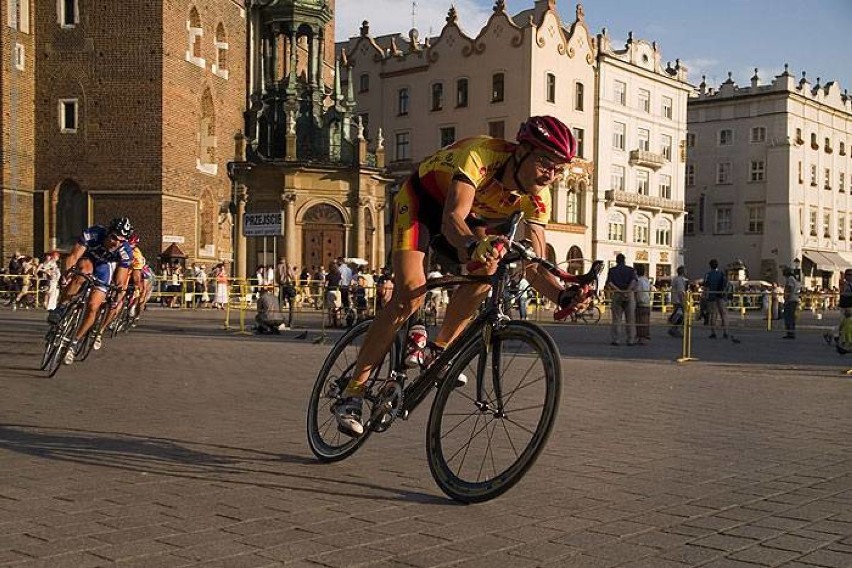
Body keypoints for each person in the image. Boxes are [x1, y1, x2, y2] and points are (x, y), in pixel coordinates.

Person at [331, 115, 595, 437]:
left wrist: (564, 295)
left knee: (490, 266)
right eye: (544, 162)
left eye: (557, 168)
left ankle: (437, 352)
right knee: (410, 294)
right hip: (422, 205)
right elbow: (452, 218)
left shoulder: (539, 198)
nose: (550, 175)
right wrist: (474, 245)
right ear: (522, 150)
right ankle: (353, 393)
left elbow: (535, 265)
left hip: (474, 220)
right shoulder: (482, 155)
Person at [50, 217, 134, 364]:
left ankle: (74, 342)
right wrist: (67, 274)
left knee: (93, 307)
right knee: (82, 272)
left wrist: (118, 294)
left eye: (121, 241)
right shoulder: (94, 233)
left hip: (104, 267)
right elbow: (74, 256)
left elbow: (121, 280)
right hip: (88, 258)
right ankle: (62, 308)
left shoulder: (125, 251)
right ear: (108, 232)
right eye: (114, 237)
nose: (116, 243)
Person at [605, 253, 637, 346]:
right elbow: (634, 281)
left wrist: (619, 291)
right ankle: (630, 340)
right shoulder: (631, 270)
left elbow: (610, 283)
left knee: (616, 318)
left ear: (616, 260)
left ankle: (616, 339)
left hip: (617, 294)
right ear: (624, 260)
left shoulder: (612, 270)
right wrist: (627, 291)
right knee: (630, 319)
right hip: (629, 294)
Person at [703, 258, 729, 339]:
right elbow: (725, 284)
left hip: (712, 296)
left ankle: (713, 332)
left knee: (713, 315)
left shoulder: (708, 274)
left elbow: (706, 286)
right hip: (721, 296)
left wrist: (705, 296)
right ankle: (725, 332)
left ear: (710, 266)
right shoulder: (721, 274)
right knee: (723, 314)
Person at [668, 266, 688, 337]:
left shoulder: (675, 279)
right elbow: (680, 292)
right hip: (678, 300)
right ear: (683, 272)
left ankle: (674, 327)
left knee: (678, 314)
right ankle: (674, 328)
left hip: (675, 299)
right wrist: (683, 301)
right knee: (680, 315)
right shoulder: (680, 280)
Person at [782, 266, 801, 339]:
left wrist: (786, 299)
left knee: (788, 317)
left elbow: (789, 289)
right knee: (791, 317)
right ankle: (790, 332)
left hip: (791, 300)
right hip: (793, 299)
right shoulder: (793, 279)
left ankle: (790, 333)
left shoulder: (790, 279)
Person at [634, 265, 652, 344]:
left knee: (639, 320)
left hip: (639, 302)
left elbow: (636, 291)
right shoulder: (646, 280)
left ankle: (640, 338)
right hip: (647, 301)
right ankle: (644, 336)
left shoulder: (637, 280)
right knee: (645, 320)